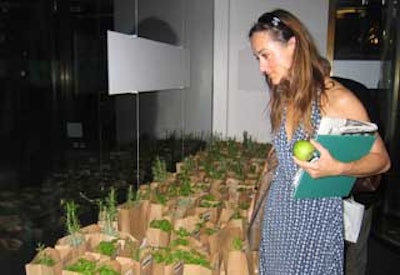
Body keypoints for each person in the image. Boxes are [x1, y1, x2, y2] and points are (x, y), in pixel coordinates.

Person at [248, 9, 391, 275]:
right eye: (257, 58)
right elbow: (280, 154)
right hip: (279, 216)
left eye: (265, 55)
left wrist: (337, 167)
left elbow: (381, 160)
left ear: (292, 45)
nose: (262, 68)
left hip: (314, 223)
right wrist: (257, 201)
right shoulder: (284, 96)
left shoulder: (335, 98)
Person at [320, 57, 384, 275]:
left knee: (355, 249)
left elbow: (376, 150)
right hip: (343, 187)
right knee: (350, 249)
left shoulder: (344, 96)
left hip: (359, 184)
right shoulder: (354, 90)